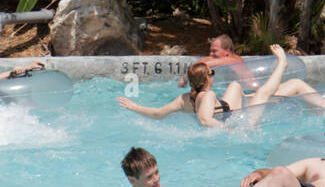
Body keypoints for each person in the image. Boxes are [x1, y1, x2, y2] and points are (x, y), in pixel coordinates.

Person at [116, 45, 289, 128]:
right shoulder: (208, 96)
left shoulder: (184, 98)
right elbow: (205, 120)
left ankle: (248, 98)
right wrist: (231, 131)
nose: (214, 75)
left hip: (228, 109)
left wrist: (136, 106)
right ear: (206, 79)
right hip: (240, 123)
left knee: (235, 85)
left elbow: (157, 114)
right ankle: (282, 64)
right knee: (264, 92)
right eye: (211, 73)